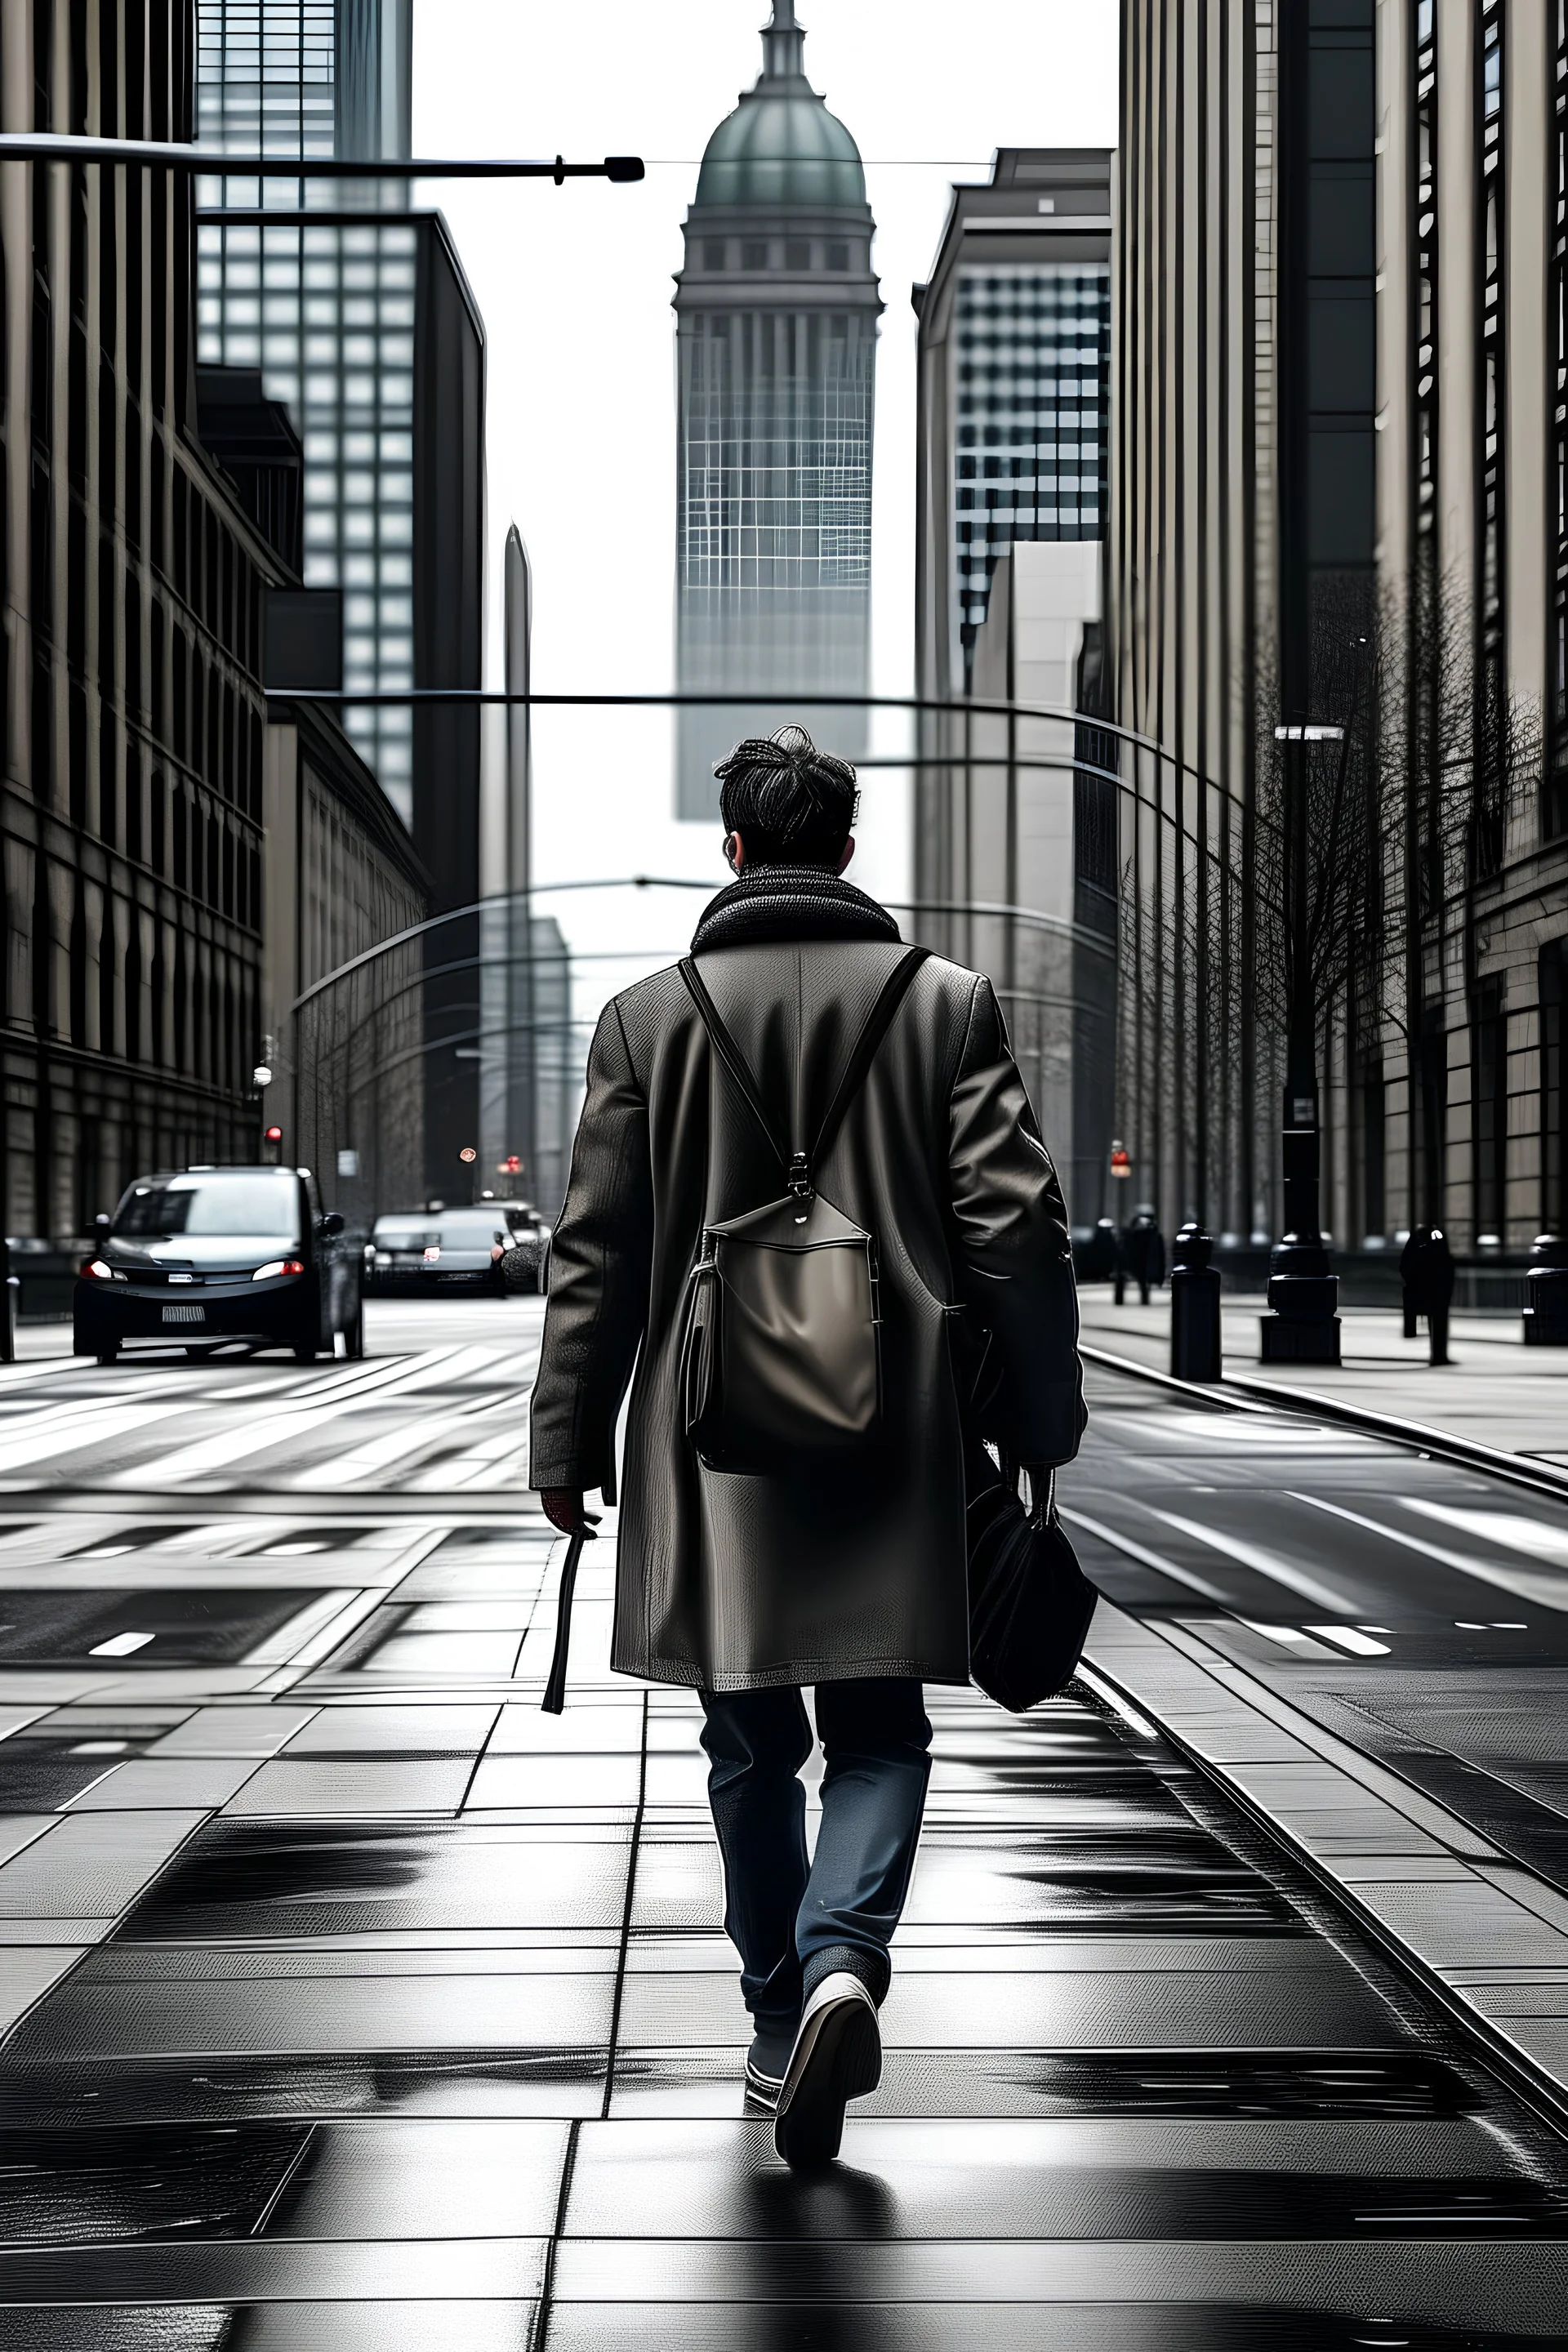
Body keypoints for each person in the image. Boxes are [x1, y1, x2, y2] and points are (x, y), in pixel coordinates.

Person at [528, 724, 1085, 2167]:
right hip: (896, 1428)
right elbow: (1013, 1230)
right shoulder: (944, 1003)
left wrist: (565, 1438)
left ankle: (779, 2015)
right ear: (845, 849)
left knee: (746, 1735)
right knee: (882, 1725)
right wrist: (1039, 1413)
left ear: (733, 851)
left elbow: (595, 1253)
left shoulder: (648, 1020)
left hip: (712, 1441)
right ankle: (849, 1957)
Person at [1401, 1223, 1454, 1365]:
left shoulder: (1419, 1239)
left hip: (1432, 1288)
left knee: (1438, 1322)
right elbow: (1446, 1263)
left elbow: (1405, 1265)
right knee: (1439, 1323)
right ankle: (1439, 1355)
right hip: (1435, 1288)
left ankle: (1439, 1355)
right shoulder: (1433, 1238)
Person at [1122, 1205, 1166, 1306]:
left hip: (1143, 1256)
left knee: (1143, 1279)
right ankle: (1145, 1297)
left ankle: (1145, 1297)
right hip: (1139, 1256)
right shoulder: (1139, 1228)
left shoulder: (1151, 1229)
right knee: (1142, 1279)